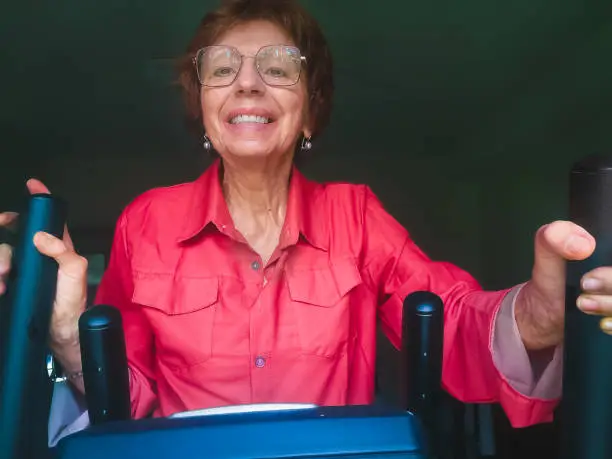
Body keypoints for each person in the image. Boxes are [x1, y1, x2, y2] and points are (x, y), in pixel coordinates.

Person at [1, 0, 611, 447]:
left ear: (310, 107)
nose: (247, 82)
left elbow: (448, 320)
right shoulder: (146, 221)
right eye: (221, 68)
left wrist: (537, 314)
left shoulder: (356, 213)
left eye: (278, 66)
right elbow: (126, 401)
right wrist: (62, 328)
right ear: (204, 111)